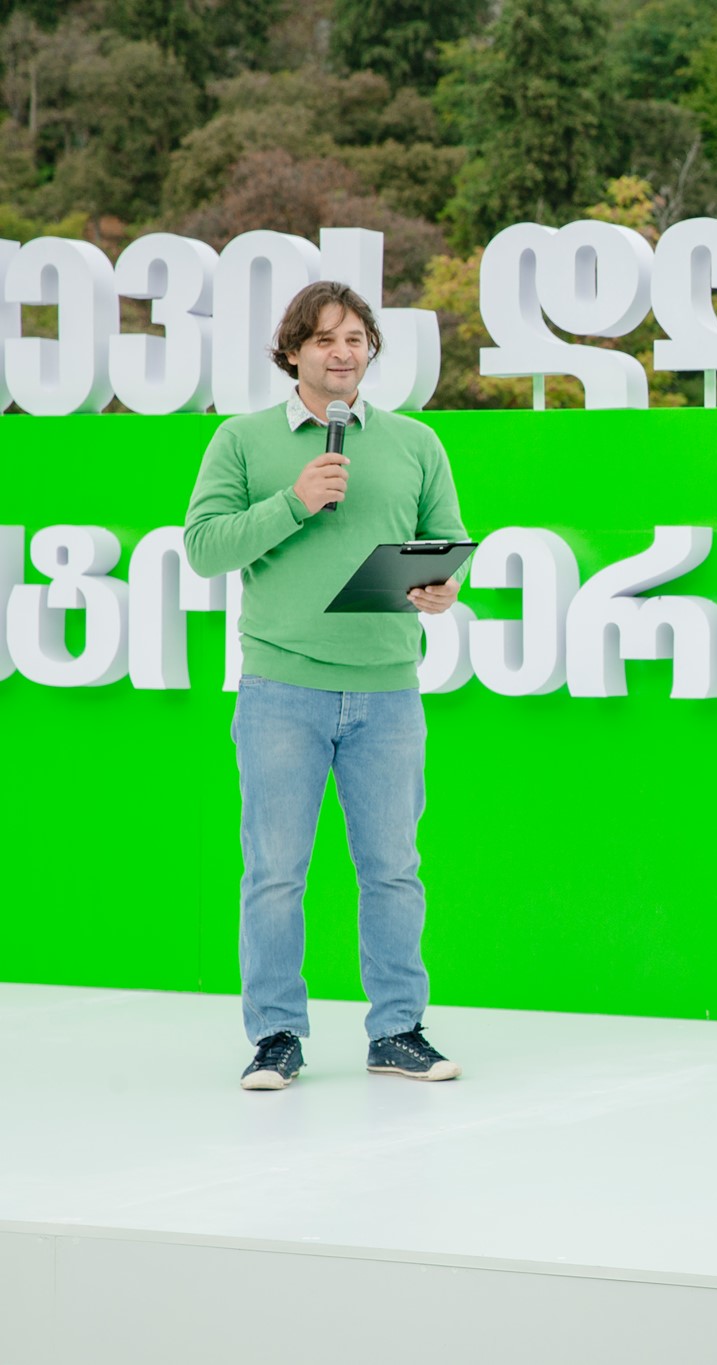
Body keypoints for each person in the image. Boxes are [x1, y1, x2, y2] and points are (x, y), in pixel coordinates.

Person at [185, 281, 468, 1091]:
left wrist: (443, 588)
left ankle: (397, 1030)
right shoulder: (242, 440)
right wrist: (294, 502)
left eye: (355, 338)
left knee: (394, 870)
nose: (343, 352)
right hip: (281, 690)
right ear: (292, 352)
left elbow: (446, 543)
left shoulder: (416, 442)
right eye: (324, 339)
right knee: (275, 873)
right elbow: (204, 547)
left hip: (389, 691)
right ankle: (276, 1035)